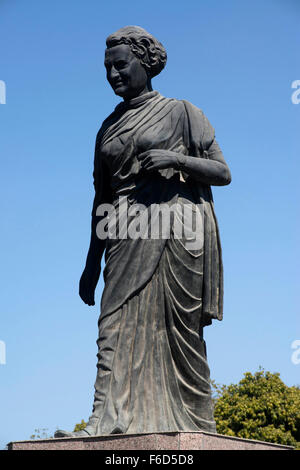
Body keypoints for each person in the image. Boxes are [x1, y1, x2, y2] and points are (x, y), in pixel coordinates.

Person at [55, 26, 231, 438]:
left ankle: (191, 424)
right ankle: (104, 420)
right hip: (123, 231)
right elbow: (101, 195)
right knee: (112, 323)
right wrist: (90, 263)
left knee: (179, 333)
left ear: (145, 62)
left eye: (121, 64)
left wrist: (177, 159)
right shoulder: (106, 129)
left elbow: (222, 172)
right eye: (107, 68)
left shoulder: (183, 112)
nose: (113, 74)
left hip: (177, 233)